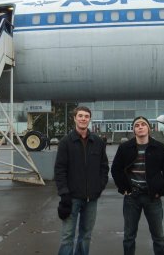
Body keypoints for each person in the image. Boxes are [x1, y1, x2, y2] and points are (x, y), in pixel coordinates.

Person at [111, 116, 164, 255]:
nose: (140, 127)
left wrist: (161, 190)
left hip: (153, 198)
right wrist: (124, 189)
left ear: (149, 128)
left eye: (143, 124)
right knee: (129, 236)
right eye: (137, 125)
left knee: (158, 237)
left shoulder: (159, 147)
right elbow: (115, 169)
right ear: (133, 129)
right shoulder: (125, 148)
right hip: (132, 197)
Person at [54, 106, 109, 255]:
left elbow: (104, 167)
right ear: (75, 118)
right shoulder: (66, 142)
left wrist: (100, 187)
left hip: (92, 199)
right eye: (80, 116)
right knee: (67, 236)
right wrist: (64, 193)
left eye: (86, 116)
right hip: (71, 198)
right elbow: (59, 170)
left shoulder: (97, 142)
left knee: (86, 236)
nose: (83, 118)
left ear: (89, 119)